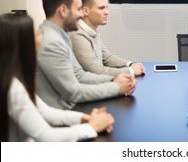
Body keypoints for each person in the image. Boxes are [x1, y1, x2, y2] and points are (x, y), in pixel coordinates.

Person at [0, 13, 115, 141]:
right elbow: (47, 137)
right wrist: (92, 127)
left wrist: (86, 118)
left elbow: (46, 112)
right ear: (23, 45)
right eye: (36, 35)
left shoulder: (12, 79)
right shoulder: (13, 88)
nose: (40, 39)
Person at [36, 0, 136, 110]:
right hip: (62, 115)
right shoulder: (51, 42)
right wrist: (117, 87)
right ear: (63, 10)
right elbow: (73, 92)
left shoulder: (60, 36)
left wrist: (113, 80)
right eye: (78, 9)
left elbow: (79, 75)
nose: (81, 15)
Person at [69, 0, 145, 77]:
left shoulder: (92, 31)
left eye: (106, 8)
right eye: (101, 8)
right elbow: (97, 71)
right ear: (85, 11)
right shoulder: (77, 36)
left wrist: (129, 64)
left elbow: (107, 58)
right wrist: (130, 71)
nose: (107, 12)